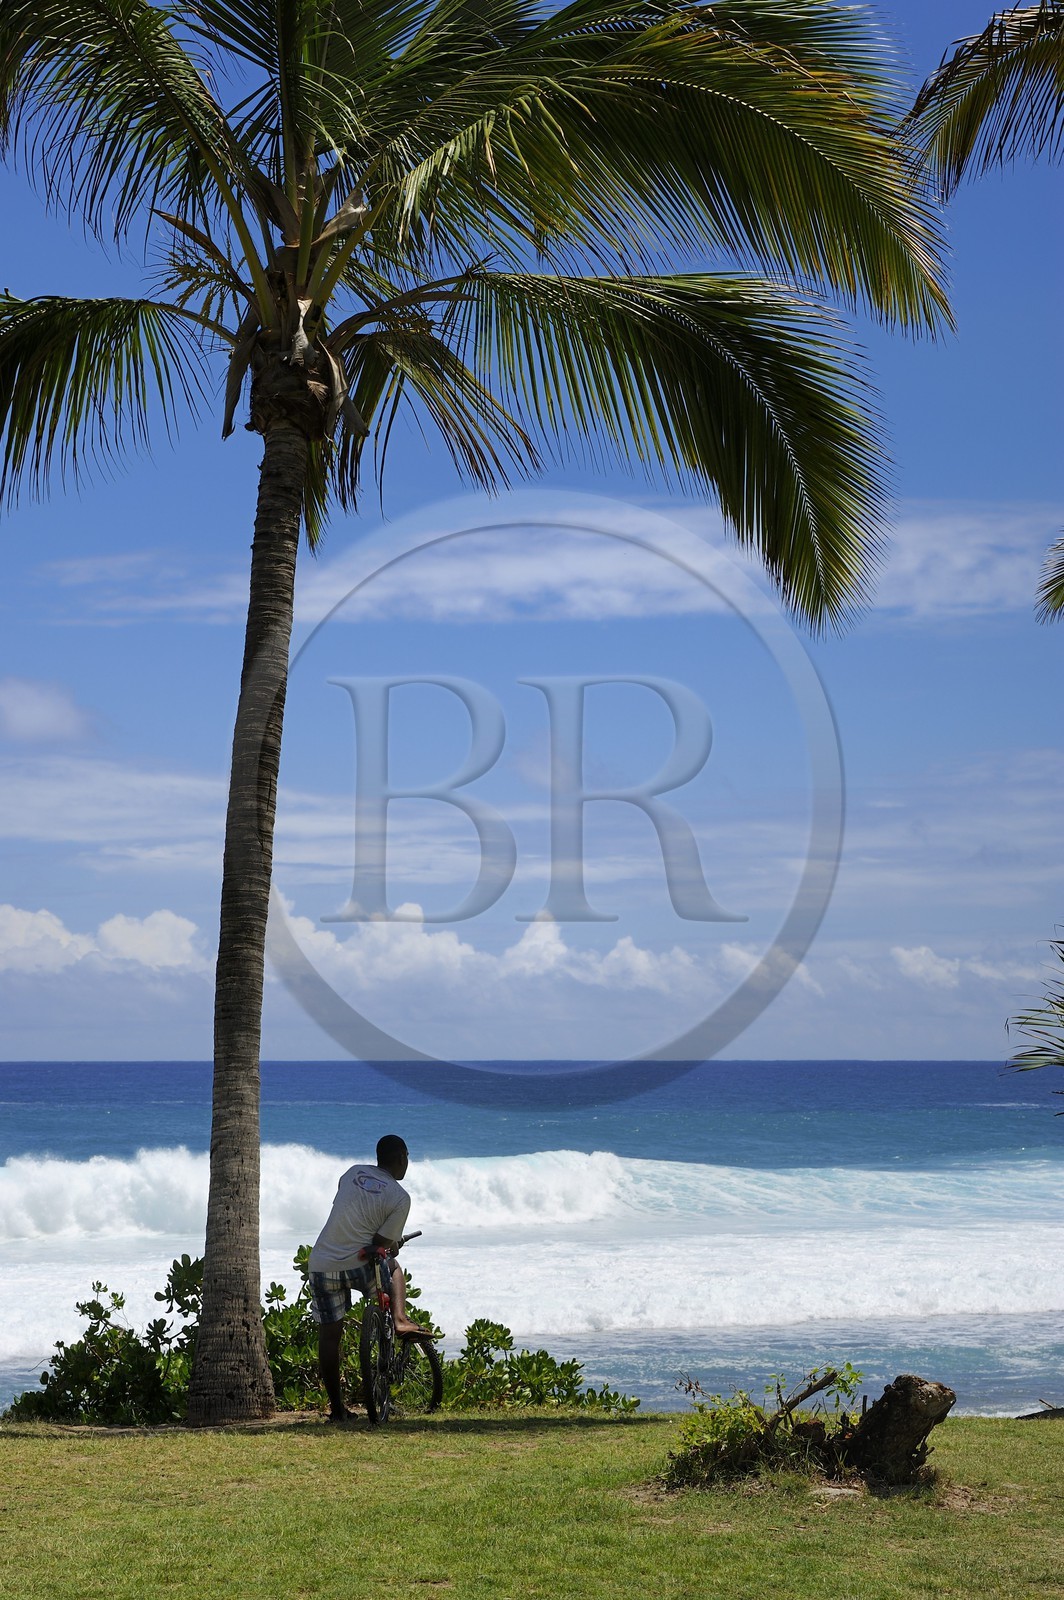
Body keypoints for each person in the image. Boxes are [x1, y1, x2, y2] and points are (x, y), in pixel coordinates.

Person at [309, 1133, 424, 1422]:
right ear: (402, 1158)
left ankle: (337, 1410)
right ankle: (399, 1319)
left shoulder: (353, 1173)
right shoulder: (399, 1197)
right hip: (359, 1264)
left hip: (322, 1262)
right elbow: (382, 1242)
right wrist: (391, 1244)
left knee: (329, 1336)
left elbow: (348, 1208)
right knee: (394, 1266)